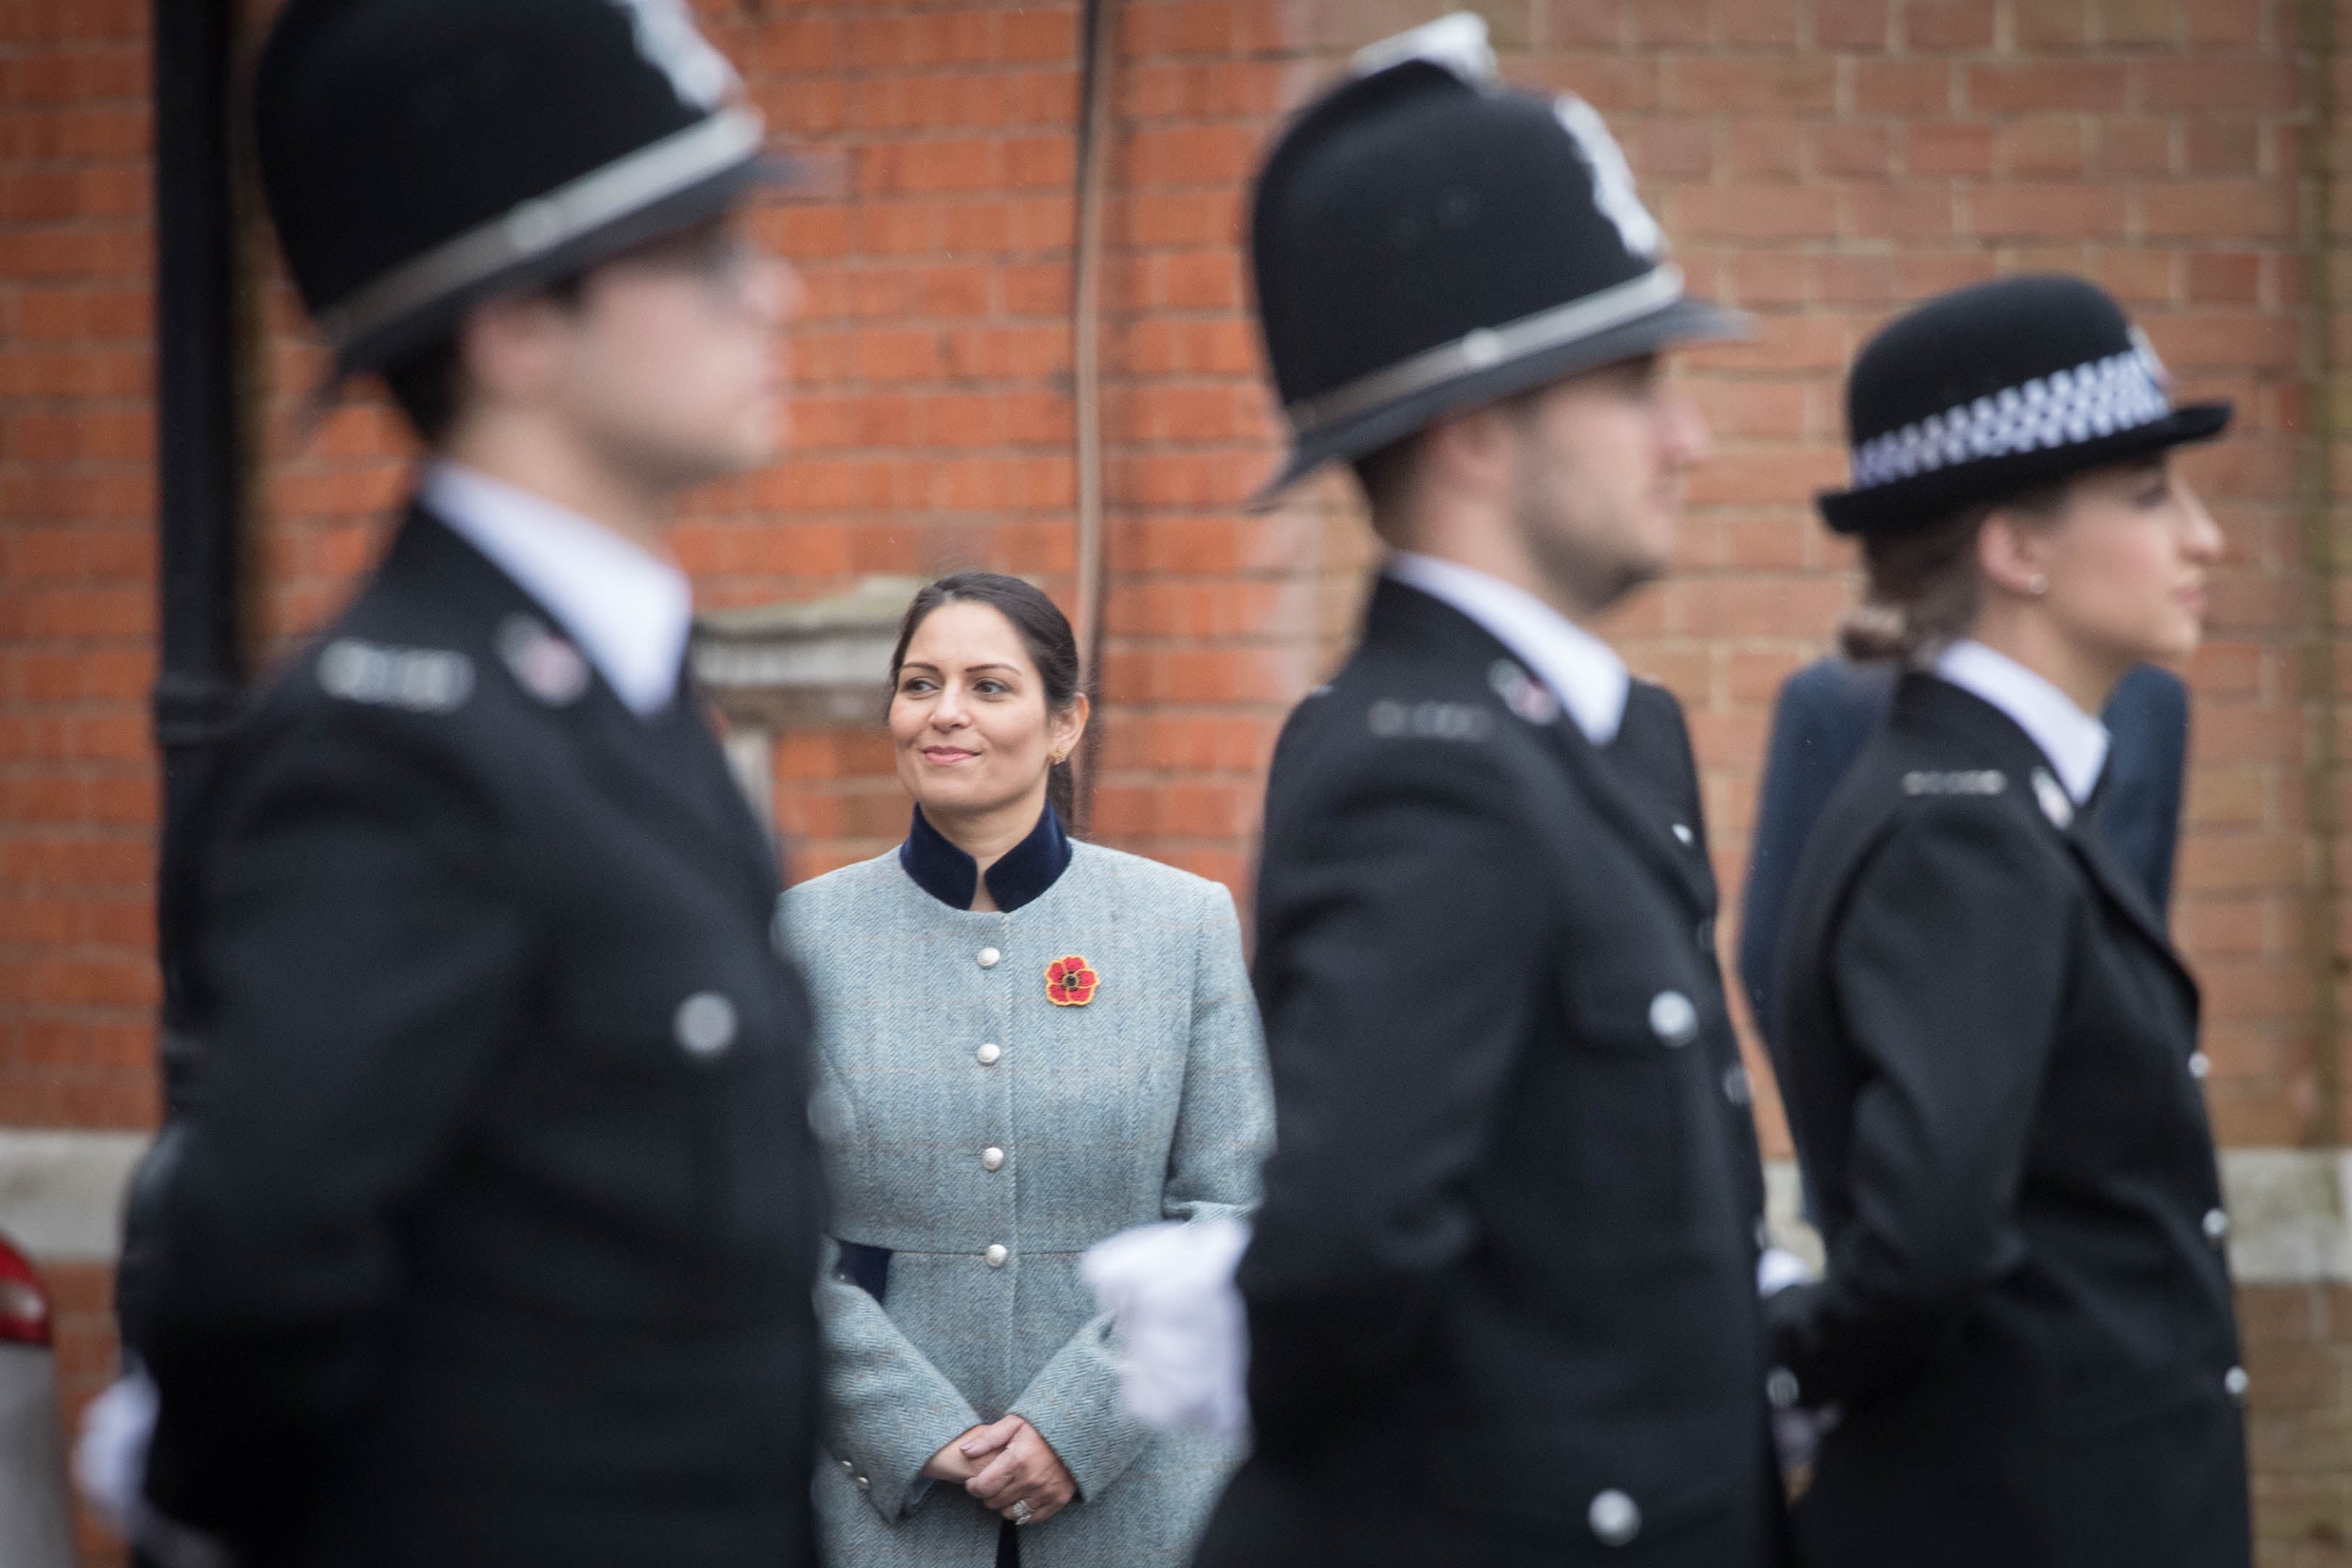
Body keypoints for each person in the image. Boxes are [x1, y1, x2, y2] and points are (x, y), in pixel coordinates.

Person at [119, 1, 827, 1563]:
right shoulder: (398, 742)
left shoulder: (610, 689)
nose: (770, 292)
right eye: (701, 251)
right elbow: (256, 1263)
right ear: (516, 329)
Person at [1192, 16, 1784, 1566]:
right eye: (1635, 380)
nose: (1690, 436)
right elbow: (1338, 1254)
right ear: (1472, 432)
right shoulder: (1430, 768)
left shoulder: (1550, 739)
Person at [1763, 273, 2249, 1567]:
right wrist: (1767, 1358)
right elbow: (1924, 1248)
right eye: (2150, 494)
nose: (2203, 538)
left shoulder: (2006, 794)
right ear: (2015, 548)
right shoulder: (1960, 828)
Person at [782, 574, 1271, 1568]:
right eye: (920, 684)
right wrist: (912, 1427)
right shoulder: (800, 936)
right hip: (878, 1511)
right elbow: (766, 1225)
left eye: (988, 686)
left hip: (1141, 1500)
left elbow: (1232, 1212)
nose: (946, 714)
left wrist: (1077, 1425)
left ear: (1065, 724)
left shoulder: (1182, 926)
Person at [1737, 656, 2186, 1058]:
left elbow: (2144, 937)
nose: (2205, 556)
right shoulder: (1843, 700)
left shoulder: (2152, 704)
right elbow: (1776, 960)